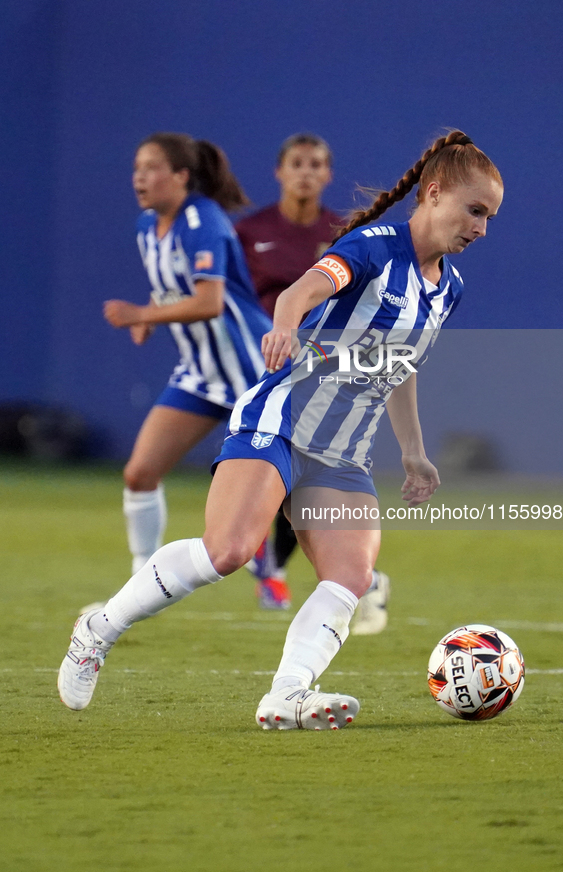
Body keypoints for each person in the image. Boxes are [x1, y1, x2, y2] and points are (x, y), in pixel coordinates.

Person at [58, 130, 504, 731]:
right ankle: (97, 631)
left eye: (490, 217)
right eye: (475, 210)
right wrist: (286, 328)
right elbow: (300, 291)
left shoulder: (446, 289)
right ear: (433, 192)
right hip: (282, 418)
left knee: (351, 578)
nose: (481, 227)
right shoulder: (372, 246)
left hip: (343, 451)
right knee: (229, 551)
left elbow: (400, 369)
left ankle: (285, 695)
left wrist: (415, 453)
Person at [235, 133, 391, 631]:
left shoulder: (345, 232)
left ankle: (308, 571)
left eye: (316, 164)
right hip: (251, 366)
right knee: (275, 475)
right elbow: (228, 297)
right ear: (279, 172)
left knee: (300, 475)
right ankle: (332, 574)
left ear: (328, 175)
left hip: (321, 375)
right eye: (296, 163)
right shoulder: (250, 231)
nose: (305, 172)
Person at [103, 133, 271, 578]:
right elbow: (171, 290)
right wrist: (148, 317)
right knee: (140, 474)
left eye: (152, 167)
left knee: (298, 494)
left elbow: (209, 301)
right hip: (199, 374)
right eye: (137, 167)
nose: (140, 177)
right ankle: (141, 580)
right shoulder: (146, 226)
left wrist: (143, 313)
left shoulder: (203, 220)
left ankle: (359, 583)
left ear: (181, 176)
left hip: (252, 371)